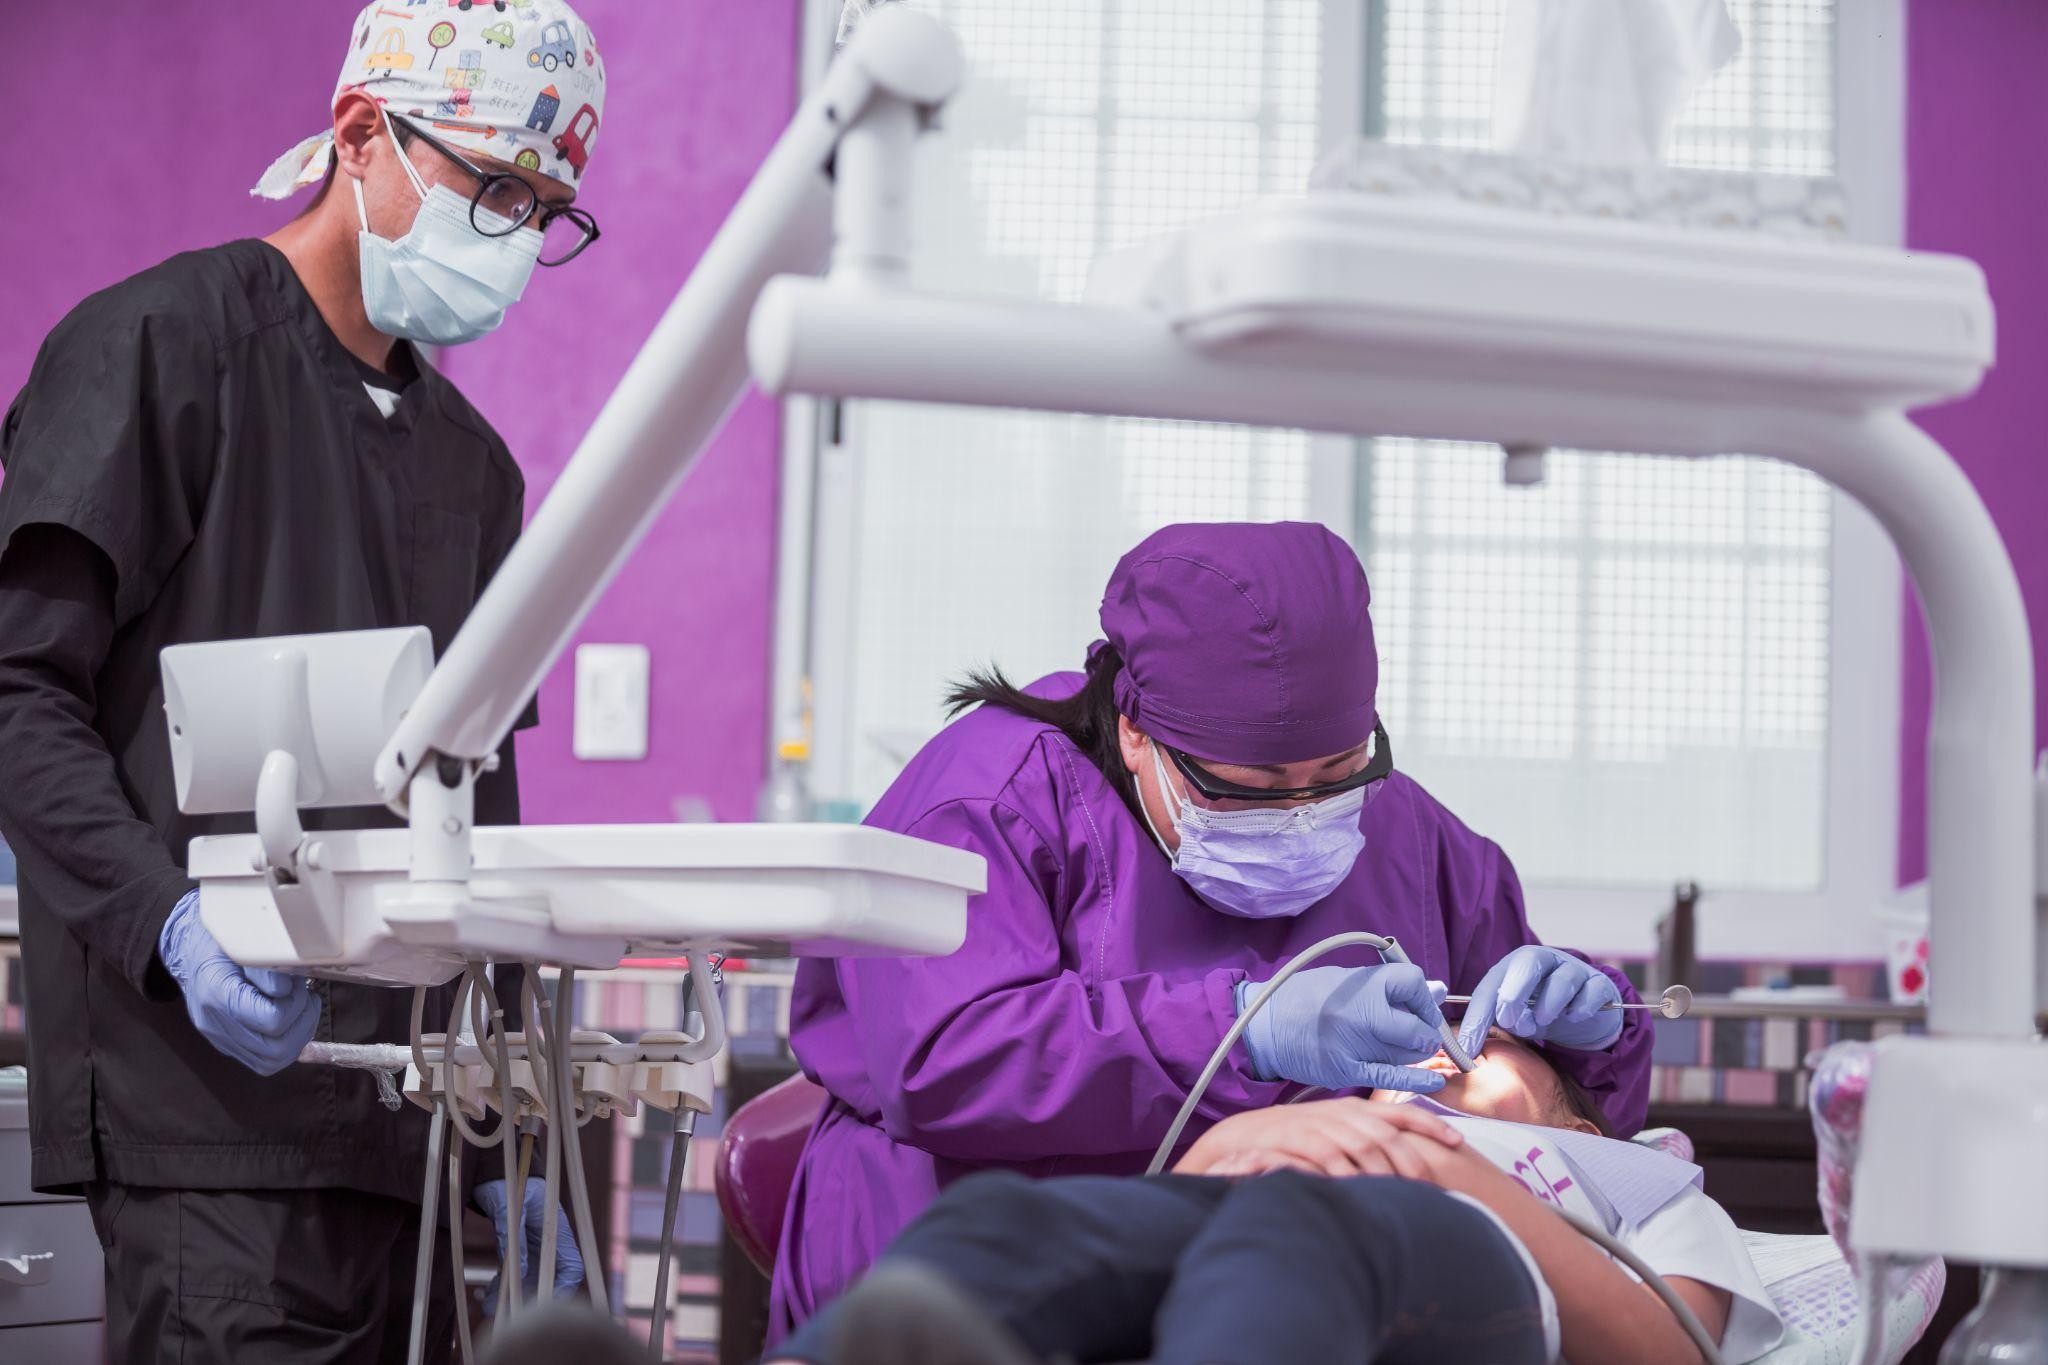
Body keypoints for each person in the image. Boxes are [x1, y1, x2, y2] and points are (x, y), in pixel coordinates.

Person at [0, 3, 605, 1357]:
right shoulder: (158, 354)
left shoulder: (476, 471)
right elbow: (15, 697)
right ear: (359, 134)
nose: (513, 234)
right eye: (492, 187)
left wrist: (503, 1116)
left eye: (546, 208)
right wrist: (170, 925)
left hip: (417, 1136)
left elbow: (476, 800)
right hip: (211, 1132)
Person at [770, 521, 1655, 1338]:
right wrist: (1245, 1029)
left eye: (1340, 772)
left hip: (1294, 1273)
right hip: (982, 1251)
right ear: (1135, 732)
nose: (1305, 811)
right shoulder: (984, 804)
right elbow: (946, 1056)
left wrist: (1596, 1039)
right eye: (1250, 786)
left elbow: (1570, 1129)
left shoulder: (1411, 835)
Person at [775, 1030, 1785, 1365]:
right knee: (1004, 1219)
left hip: (1459, 1260)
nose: (1444, 1049)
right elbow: (1176, 1229)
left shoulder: (1640, 1184)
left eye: (1486, 1047)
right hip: (1280, 1207)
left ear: (1571, 1128)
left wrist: (1460, 1170)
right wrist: (1235, 1136)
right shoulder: (1337, 1116)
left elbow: (1671, 1346)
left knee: (1295, 1226)